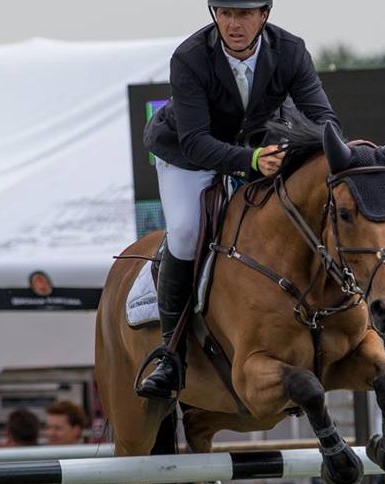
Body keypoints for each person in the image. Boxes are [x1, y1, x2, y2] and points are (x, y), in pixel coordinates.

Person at [138, 0, 340, 399]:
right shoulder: (191, 57)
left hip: (256, 151)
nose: (234, 24)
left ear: (264, 15)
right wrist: (249, 160)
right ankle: (170, 355)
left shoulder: (291, 51)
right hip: (187, 156)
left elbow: (326, 122)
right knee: (184, 232)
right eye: (226, 13)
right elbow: (195, 142)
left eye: (244, 14)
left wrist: (288, 148)